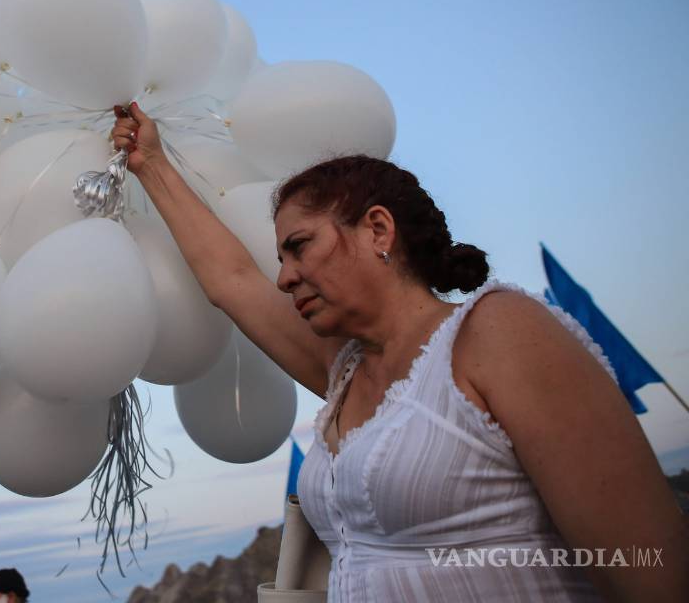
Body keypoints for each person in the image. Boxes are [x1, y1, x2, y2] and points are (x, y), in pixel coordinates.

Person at [110, 102, 687, 602]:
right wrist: (150, 163)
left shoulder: (500, 332)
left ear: (378, 230)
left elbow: (648, 569)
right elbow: (233, 280)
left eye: (299, 247)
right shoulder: (343, 372)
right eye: (281, 259)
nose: (283, 278)